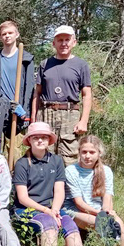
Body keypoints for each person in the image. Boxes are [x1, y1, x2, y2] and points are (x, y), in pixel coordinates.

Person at [13, 122, 87, 246]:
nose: (40, 141)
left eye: (43, 137)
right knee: (48, 224)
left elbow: (59, 190)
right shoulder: (22, 164)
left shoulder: (56, 161)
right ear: (30, 140)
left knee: (70, 226)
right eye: (36, 137)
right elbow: (23, 197)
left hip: (52, 207)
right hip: (27, 210)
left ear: (49, 140)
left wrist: (54, 209)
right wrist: (47, 211)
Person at [31, 25, 92, 165]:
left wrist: (84, 121)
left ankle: (68, 187)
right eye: (60, 40)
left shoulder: (81, 65)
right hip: (46, 114)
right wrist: (34, 119)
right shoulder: (44, 64)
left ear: (74, 42)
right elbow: (37, 93)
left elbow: (86, 94)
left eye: (67, 40)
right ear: (54, 43)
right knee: (43, 154)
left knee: (69, 157)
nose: (63, 43)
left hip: (70, 115)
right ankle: (45, 186)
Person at [0, 20, 35, 164]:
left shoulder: (26, 59)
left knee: (14, 152)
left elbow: (30, 87)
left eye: (10, 33)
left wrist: (25, 111)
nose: (7, 36)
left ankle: (14, 183)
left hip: (17, 111)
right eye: (4, 34)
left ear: (17, 34)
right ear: (0, 37)